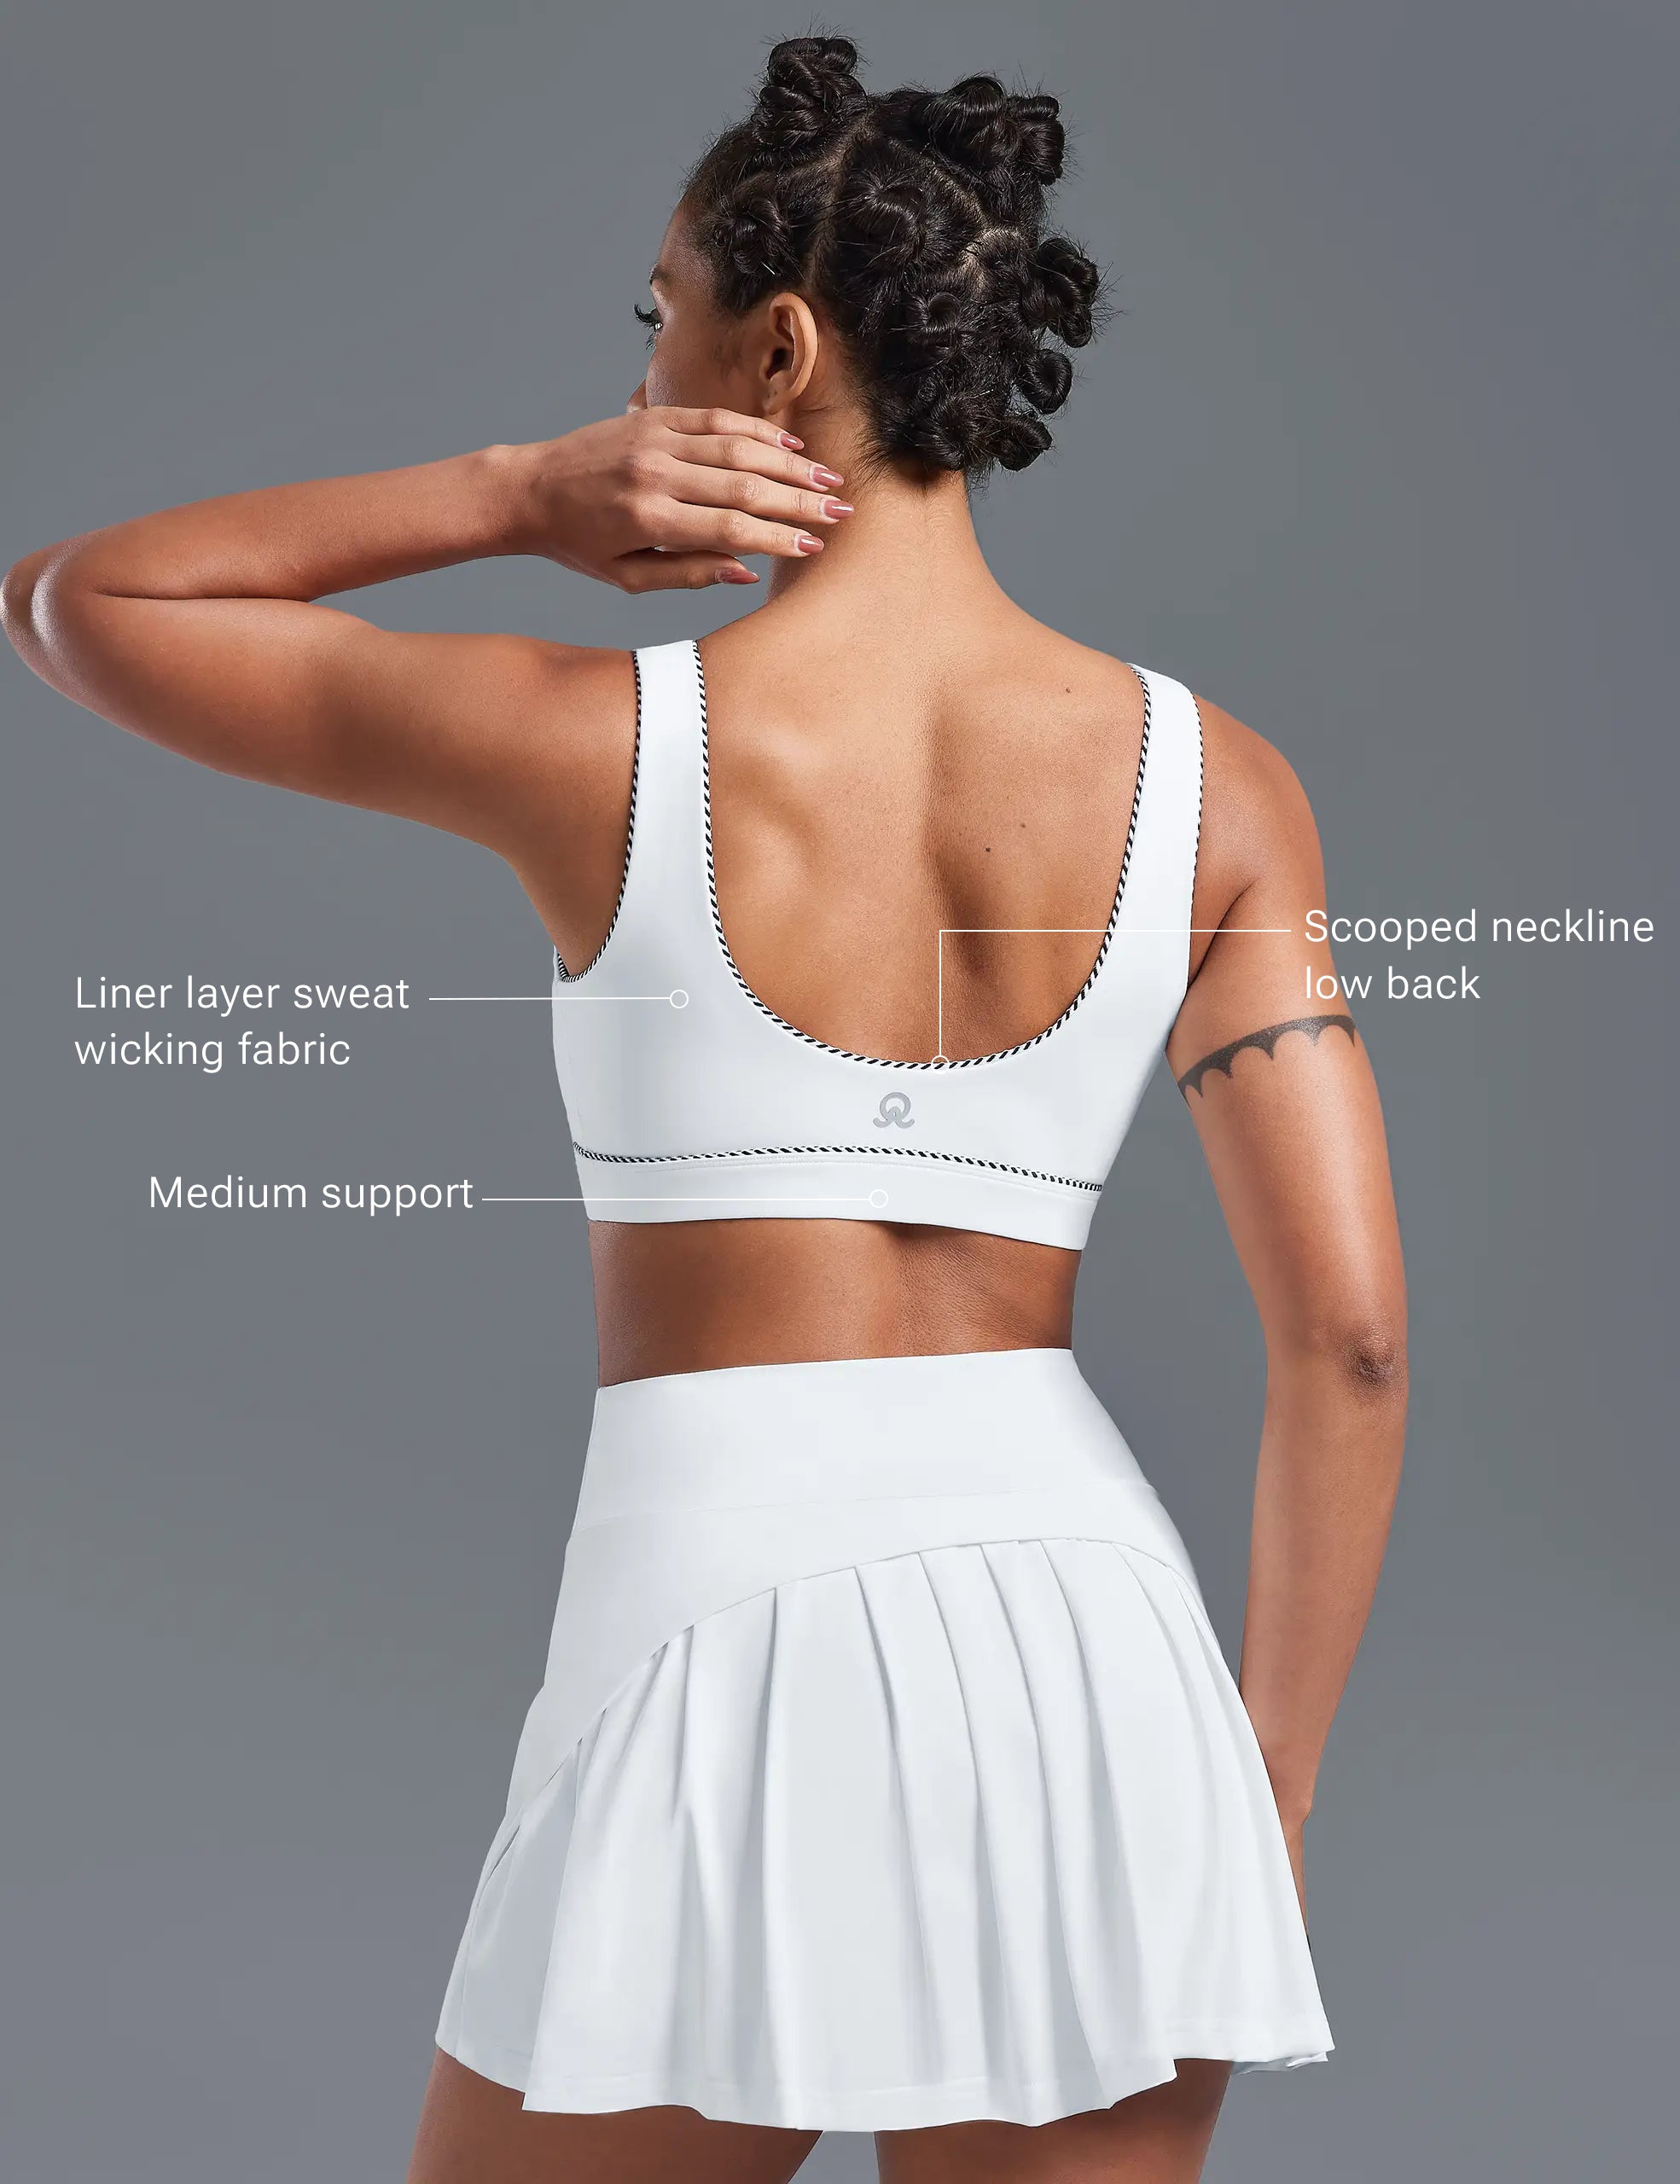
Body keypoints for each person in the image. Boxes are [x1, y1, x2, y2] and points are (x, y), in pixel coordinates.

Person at [3, 33, 1407, 2184]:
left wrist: (513, 494)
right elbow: (1353, 1342)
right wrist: (1269, 1788)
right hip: (1094, 1648)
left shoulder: (592, 746)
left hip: (719, 1630)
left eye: (654, 313)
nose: (635, 373)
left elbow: (77, 603)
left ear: (773, 350)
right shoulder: (1227, 788)